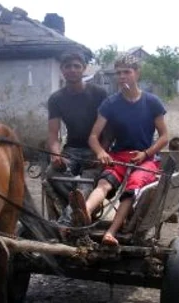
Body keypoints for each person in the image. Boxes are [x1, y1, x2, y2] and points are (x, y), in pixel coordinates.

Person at [68, 54, 169, 246]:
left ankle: (111, 232)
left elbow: (164, 136)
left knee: (133, 186)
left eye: (127, 72)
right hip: (118, 157)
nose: (122, 77)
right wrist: (101, 153)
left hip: (145, 160)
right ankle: (84, 214)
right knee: (104, 184)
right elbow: (93, 137)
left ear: (136, 74)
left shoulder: (151, 102)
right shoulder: (111, 104)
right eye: (119, 73)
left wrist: (146, 154)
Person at [46, 51, 109, 224]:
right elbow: (53, 134)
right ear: (62, 70)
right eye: (68, 66)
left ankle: (65, 224)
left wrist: (101, 152)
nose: (72, 70)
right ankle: (80, 205)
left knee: (86, 182)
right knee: (51, 173)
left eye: (76, 66)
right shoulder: (56, 99)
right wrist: (56, 154)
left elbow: (110, 129)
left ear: (84, 69)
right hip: (71, 150)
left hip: (95, 151)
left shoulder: (99, 94)